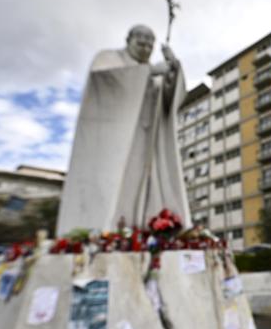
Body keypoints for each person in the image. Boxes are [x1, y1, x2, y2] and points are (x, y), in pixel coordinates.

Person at [57, 25, 191, 234]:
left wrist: (173, 69)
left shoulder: (153, 71)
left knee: (144, 187)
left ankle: (144, 227)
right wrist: (149, 72)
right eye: (141, 41)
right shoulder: (109, 59)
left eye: (150, 43)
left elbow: (168, 100)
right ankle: (108, 231)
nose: (146, 47)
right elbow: (103, 79)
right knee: (118, 187)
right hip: (116, 140)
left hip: (147, 140)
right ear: (128, 39)